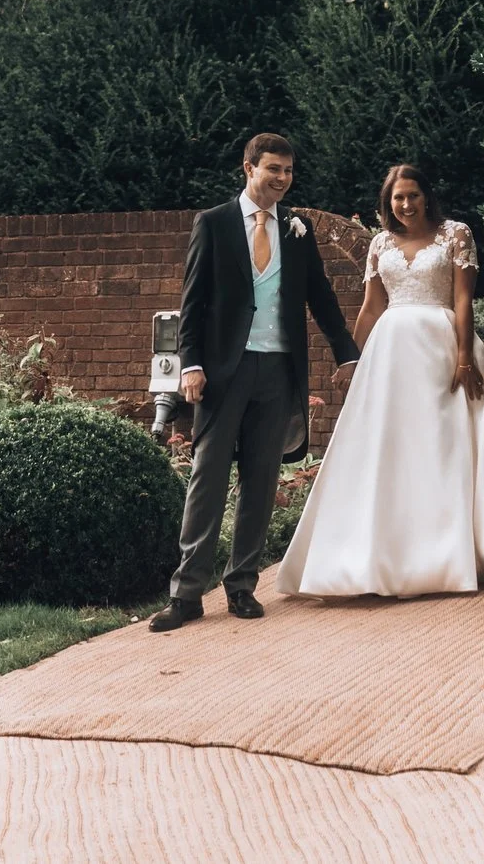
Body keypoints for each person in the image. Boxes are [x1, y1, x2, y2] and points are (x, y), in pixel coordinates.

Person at [273, 162, 484, 598]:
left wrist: (463, 357)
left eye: (412, 195)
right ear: (388, 203)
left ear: (426, 196)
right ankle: (387, 554)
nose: (405, 204)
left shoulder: (455, 234)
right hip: (390, 357)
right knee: (392, 448)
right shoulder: (380, 242)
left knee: (444, 444)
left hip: (442, 348)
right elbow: (371, 306)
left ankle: (454, 551)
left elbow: (463, 299)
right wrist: (351, 359)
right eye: (397, 198)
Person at [151, 133, 361, 632]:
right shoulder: (214, 223)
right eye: (273, 169)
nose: (282, 178)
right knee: (208, 477)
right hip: (224, 370)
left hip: (279, 370)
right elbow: (193, 301)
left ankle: (242, 586)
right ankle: (186, 595)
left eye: (288, 170)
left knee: (261, 479)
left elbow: (320, 295)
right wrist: (191, 364)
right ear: (248, 168)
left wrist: (347, 353)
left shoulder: (297, 228)